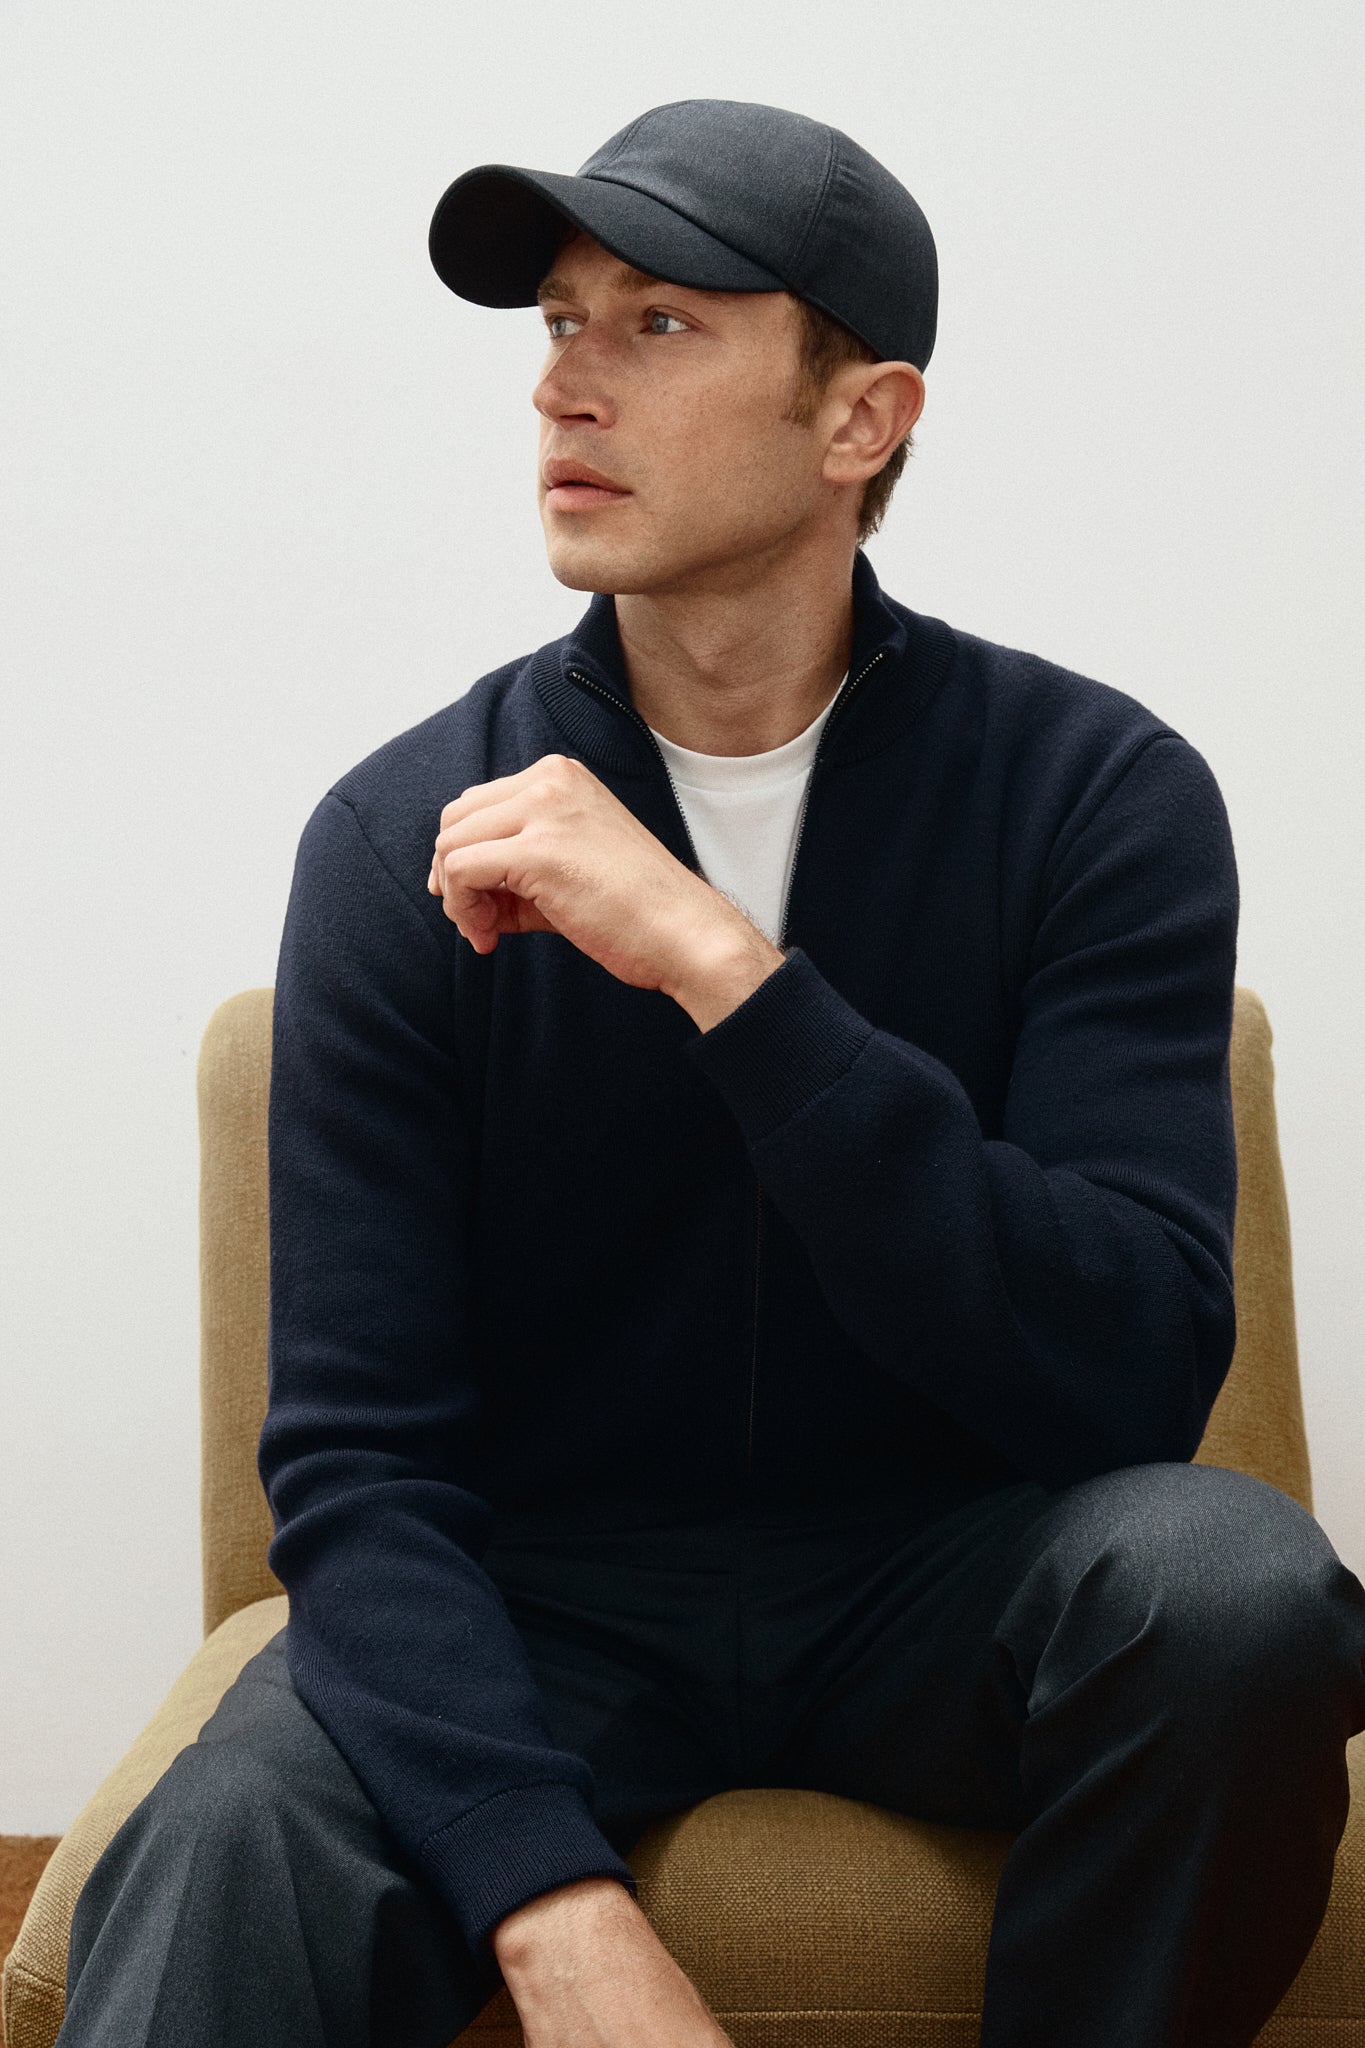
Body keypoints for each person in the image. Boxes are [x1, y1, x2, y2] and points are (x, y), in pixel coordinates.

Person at [57, 98, 1365, 2048]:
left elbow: (1124, 1366)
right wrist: (553, 1911)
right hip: (552, 1597)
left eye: (655, 322)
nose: (564, 384)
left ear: (860, 419)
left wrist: (717, 964)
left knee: (1236, 1585)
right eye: (555, 323)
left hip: (952, 1580)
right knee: (230, 1823)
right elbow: (357, 1469)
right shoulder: (400, 830)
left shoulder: (1098, 797)